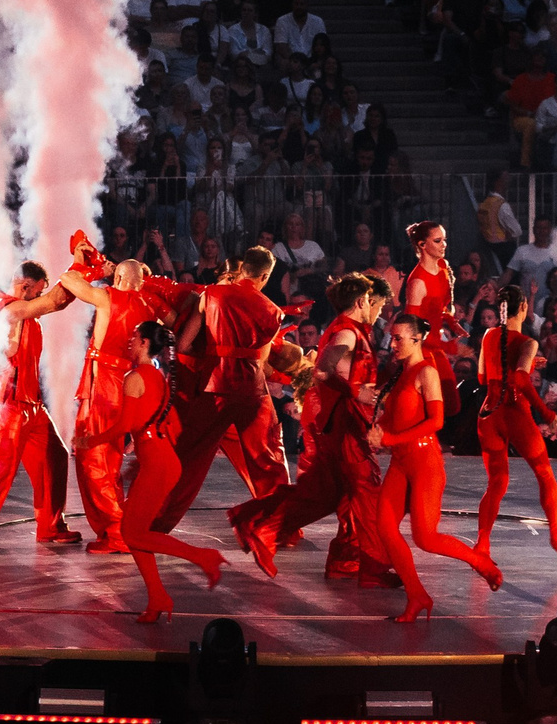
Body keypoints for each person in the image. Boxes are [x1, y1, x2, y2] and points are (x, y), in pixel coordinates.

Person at [229, 273, 388, 580]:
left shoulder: (350, 330)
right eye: (375, 302)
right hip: (343, 422)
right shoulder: (347, 333)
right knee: (361, 490)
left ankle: (345, 561)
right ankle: (368, 566)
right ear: (362, 301)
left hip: (341, 420)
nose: (376, 308)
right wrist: (356, 392)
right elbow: (324, 369)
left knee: (334, 492)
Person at [53, 231, 183, 553]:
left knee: (95, 458)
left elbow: (67, 280)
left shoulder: (109, 297)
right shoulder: (151, 304)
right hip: (134, 381)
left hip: (105, 383)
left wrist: (95, 268)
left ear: (121, 278)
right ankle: (117, 528)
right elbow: (177, 322)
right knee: (110, 459)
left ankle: (117, 532)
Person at [372, 311, 501, 620]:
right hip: (401, 462)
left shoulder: (426, 372)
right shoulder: (399, 374)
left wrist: (389, 438)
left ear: (417, 340)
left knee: (425, 538)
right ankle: (417, 595)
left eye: (399, 338)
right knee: (385, 527)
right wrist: (377, 429)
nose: (393, 344)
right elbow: (396, 418)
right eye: (391, 338)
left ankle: (481, 562)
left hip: (424, 461)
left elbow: (437, 421)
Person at [112, 321, 225, 621]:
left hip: (158, 463)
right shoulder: (158, 376)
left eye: (134, 336)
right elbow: (163, 422)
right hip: (160, 460)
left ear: (145, 342)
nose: (130, 340)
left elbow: (127, 425)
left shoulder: (137, 376)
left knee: (133, 533)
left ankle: (202, 556)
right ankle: (157, 597)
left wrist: (91, 439)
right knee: (135, 533)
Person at [165, 249, 284, 526]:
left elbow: (183, 345)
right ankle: (279, 524)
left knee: (190, 456)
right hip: (252, 390)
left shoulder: (211, 295)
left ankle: (156, 519)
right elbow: (261, 360)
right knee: (267, 458)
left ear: (243, 269)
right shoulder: (274, 312)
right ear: (265, 275)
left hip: (214, 384)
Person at [473, 286, 557, 561]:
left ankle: (482, 544)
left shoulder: (488, 335)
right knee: (544, 474)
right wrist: (545, 412)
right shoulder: (528, 342)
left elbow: (483, 378)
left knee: (497, 482)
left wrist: (530, 363)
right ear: (523, 308)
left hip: (489, 414)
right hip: (515, 413)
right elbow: (520, 378)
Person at [0, 262, 79, 548]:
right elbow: (54, 302)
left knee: (55, 456)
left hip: (31, 404)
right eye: (38, 291)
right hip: (9, 406)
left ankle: (51, 526)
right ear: (25, 286)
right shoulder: (10, 309)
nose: (40, 296)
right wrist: (81, 268)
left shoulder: (26, 313)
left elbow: (54, 303)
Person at [400, 220, 465, 372]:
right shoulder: (418, 283)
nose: (444, 245)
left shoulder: (443, 266)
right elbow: (412, 329)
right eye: (437, 241)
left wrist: (452, 323)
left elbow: (440, 306)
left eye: (444, 240)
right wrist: (449, 347)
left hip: (436, 346)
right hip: (422, 350)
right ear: (422, 245)